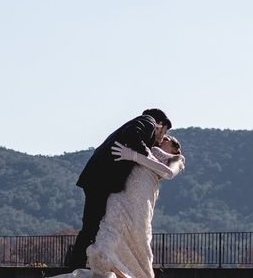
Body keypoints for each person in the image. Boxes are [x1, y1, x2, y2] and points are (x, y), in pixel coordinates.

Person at [55, 135, 185, 278]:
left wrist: (135, 156)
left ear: (174, 148)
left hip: (140, 203)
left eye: (166, 140)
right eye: (162, 138)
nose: (162, 140)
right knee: (105, 245)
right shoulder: (145, 149)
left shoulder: (176, 159)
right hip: (120, 197)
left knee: (137, 243)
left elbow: (168, 172)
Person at [66, 109, 173, 269]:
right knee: (91, 225)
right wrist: (145, 155)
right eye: (164, 132)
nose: (162, 137)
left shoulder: (142, 125)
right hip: (100, 180)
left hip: (99, 179)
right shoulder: (148, 121)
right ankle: (76, 264)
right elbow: (133, 133)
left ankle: (80, 261)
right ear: (160, 124)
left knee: (94, 224)